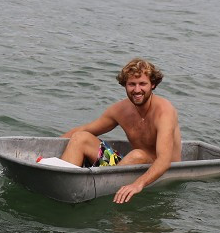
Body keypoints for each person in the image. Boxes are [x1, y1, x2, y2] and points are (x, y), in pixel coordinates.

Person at [59, 57, 181, 204]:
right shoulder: (121, 110)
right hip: (126, 166)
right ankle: (61, 185)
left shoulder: (164, 112)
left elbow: (164, 161)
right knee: (80, 137)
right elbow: (85, 129)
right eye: (131, 84)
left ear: (153, 85)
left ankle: (95, 190)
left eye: (142, 84)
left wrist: (138, 185)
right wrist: (49, 148)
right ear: (125, 85)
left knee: (138, 154)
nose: (137, 90)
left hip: (159, 170)